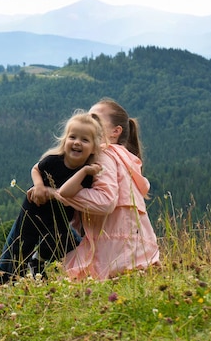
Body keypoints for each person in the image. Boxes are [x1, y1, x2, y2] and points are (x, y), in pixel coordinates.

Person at [0, 110, 103, 286]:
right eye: (72, 137)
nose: (77, 143)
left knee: (68, 241)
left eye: (84, 140)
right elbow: (36, 169)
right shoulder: (54, 160)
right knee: (22, 242)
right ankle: (7, 281)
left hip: (59, 216)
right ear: (65, 140)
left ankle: (37, 263)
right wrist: (39, 186)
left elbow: (67, 192)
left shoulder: (86, 174)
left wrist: (84, 171)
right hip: (35, 207)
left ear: (94, 148)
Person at [57, 98, 160, 280]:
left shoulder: (105, 155)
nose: (87, 122)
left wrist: (63, 192)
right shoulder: (126, 159)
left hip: (114, 256)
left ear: (116, 132)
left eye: (95, 119)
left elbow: (106, 201)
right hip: (135, 252)